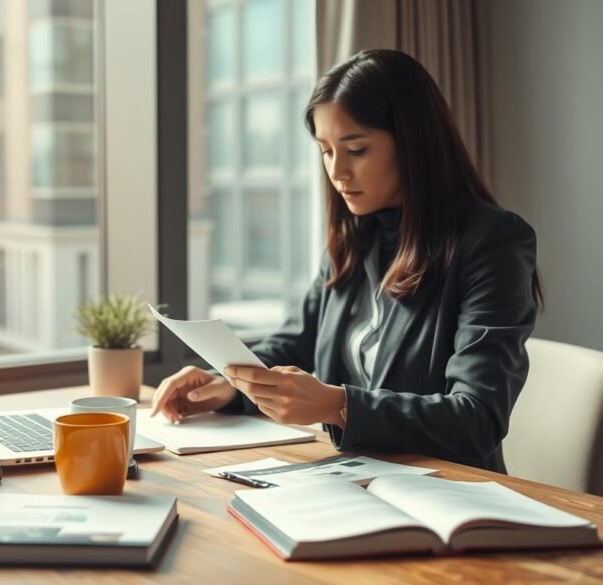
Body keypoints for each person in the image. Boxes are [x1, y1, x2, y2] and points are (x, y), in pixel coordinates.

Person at [150, 49, 540, 473]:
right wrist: (227, 382)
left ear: (413, 144)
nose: (338, 172)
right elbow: (296, 344)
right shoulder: (356, 236)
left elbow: (477, 419)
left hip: (446, 491)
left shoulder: (492, 242)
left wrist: (340, 406)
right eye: (325, 150)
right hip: (349, 476)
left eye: (355, 149)